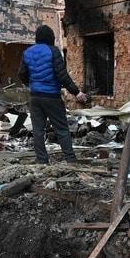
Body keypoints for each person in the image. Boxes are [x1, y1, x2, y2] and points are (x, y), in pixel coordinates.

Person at [18, 24, 88, 164]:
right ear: (50, 38)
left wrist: (32, 83)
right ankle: (70, 159)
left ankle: (42, 160)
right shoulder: (53, 51)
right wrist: (76, 92)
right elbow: (63, 76)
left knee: (38, 130)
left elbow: (22, 74)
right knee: (61, 128)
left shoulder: (27, 52)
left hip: (35, 96)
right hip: (52, 97)